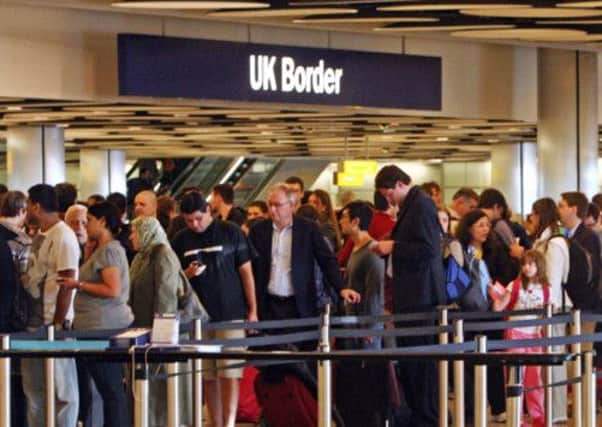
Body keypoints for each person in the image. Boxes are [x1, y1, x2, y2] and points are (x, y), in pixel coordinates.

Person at [171, 190, 257, 427]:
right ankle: (215, 421)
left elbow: (246, 272)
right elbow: (175, 279)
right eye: (189, 221)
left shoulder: (231, 232)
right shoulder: (181, 239)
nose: (195, 225)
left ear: (209, 210)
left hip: (230, 313)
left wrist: (253, 310)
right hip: (199, 317)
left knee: (230, 373)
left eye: (198, 218)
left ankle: (228, 422)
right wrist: (187, 274)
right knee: (208, 375)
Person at [371, 165, 444, 426]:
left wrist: (394, 246)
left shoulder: (421, 205)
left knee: (420, 362)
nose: (388, 200)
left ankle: (426, 416)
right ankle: (419, 414)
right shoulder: (413, 204)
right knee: (412, 360)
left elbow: (428, 248)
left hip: (420, 296)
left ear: (400, 184)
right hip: (413, 294)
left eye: (389, 193)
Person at [58, 202, 132, 427]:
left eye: (89, 220)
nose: (85, 225)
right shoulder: (101, 250)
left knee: (111, 390)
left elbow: (113, 289)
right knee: (107, 390)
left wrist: (78, 284)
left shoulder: (109, 251)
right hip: (95, 328)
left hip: (103, 329)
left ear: (102, 221)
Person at [248, 183, 360, 323]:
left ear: (292, 205)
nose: (272, 209)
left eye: (277, 205)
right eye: (270, 204)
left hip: (299, 304)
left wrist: (341, 288)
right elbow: (250, 268)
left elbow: (327, 260)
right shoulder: (258, 231)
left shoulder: (308, 229)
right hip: (268, 305)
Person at [22, 184, 80, 427]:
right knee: (35, 389)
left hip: (54, 324)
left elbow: (67, 281)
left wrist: (57, 322)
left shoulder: (64, 236)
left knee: (62, 389)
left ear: (36, 206)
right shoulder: (41, 236)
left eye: (28, 205)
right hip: (34, 324)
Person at [128, 216, 190, 426]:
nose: (131, 237)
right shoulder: (141, 257)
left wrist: (161, 336)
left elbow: (166, 298)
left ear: (147, 233)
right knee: (150, 388)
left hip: (160, 335)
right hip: (143, 332)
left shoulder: (162, 254)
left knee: (163, 387)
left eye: (134, 232)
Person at [336, 201, 386, 427]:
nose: (340, 222)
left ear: (356, 221)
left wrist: (370, 327)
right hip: (351, 327)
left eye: (344, 218)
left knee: (367, 378)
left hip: (365, 329)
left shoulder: (371, 252)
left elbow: (375, 292)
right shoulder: (354, 249)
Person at [491, 250, 548, 427]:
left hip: (535, 335)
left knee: (534, 378)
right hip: (515, 333)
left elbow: (549, 313)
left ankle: (537, 415)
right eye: (524, 263)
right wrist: (494, 295)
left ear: (539, 264)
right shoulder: (514, 285)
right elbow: (499, 308)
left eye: (530, 263)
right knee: (515, 377)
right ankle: (517, 416)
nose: (526, 267)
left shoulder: (546, 288)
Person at [558, 191, 600, 343]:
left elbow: (591, 274)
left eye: (562, 206)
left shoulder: (588, 236)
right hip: (570, 306)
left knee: (581, 356)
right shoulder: (567, 235)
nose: (558, 210)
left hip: (584, 307)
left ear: (574, 209)